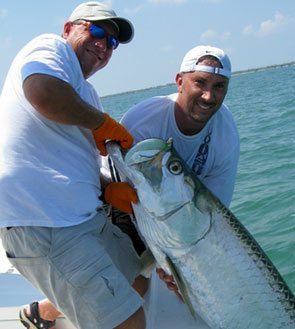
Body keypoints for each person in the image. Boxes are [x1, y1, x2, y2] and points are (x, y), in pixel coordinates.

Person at [0, 2, 147, 329]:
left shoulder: (88, 94)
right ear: (68, 29)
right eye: (97, 32)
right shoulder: (49, 49)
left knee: (139, 282)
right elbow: (42, 92)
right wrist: (101, 125)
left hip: (82, 219)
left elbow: (72, 160)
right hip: (43, 221)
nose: (104, 45)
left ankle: (40, 313)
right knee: (129, 321)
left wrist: (109, 190)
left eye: (112, 43)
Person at [109, 44, 240, 293]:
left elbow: (212, 215)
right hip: (121, 203)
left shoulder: (226, 135)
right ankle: (45, 310)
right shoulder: (144, 122)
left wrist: (187, 263)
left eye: (219, 86)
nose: (208, 96)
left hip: (175, 216)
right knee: (130, 286)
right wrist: (163, 258)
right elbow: (126, 196)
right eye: (200, 82)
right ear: (180, 81)